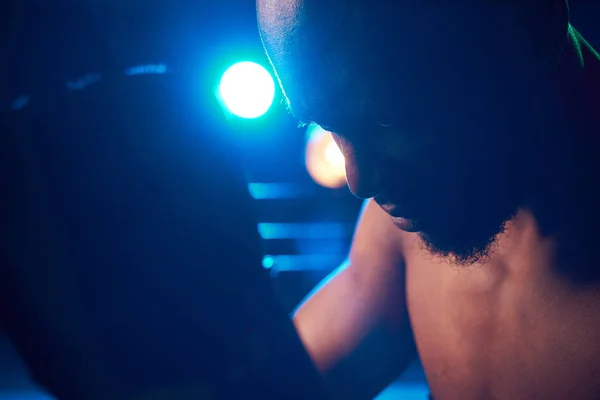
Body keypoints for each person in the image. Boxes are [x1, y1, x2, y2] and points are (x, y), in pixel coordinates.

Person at [257, 0, 600, 399]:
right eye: (326, 124)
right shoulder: (421, 216)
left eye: (388, 119)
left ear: (534, 26)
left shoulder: (441, 192)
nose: (359, 181)